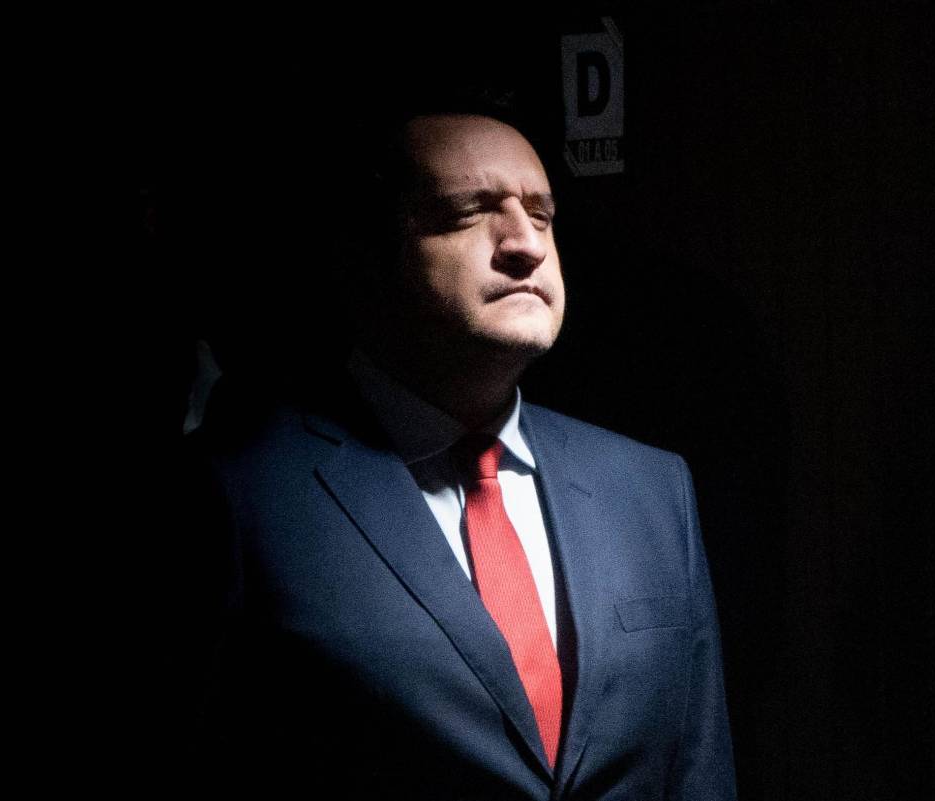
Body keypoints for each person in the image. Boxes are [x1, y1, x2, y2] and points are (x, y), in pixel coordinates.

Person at [191, 93, 737, 799]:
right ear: (367, 257)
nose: (526, 244)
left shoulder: (651, 487)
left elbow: (698, 767)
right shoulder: (233, 493)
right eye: (469, 213)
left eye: (541, 214)